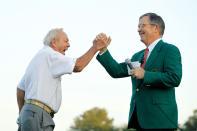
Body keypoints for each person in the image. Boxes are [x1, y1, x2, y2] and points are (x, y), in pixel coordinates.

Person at [96, 13, 182, 130]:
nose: (138, 29)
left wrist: (145, 74)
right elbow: (116, 71)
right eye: (138, 26)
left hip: (161, 120)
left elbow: (174, 78)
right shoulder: (138, 55)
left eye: (142, 26)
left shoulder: (169, 50)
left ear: (155, 28)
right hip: (139, 120)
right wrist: (103, 50)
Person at [16, 28, 110, 131]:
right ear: (54, 42)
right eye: (66, 41)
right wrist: (95, 47)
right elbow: (78, 66)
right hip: (38, 115)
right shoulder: (50, 55)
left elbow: (20, 90)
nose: (69, 45)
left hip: (31, 114)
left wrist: (22, 113)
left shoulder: (40, 57)